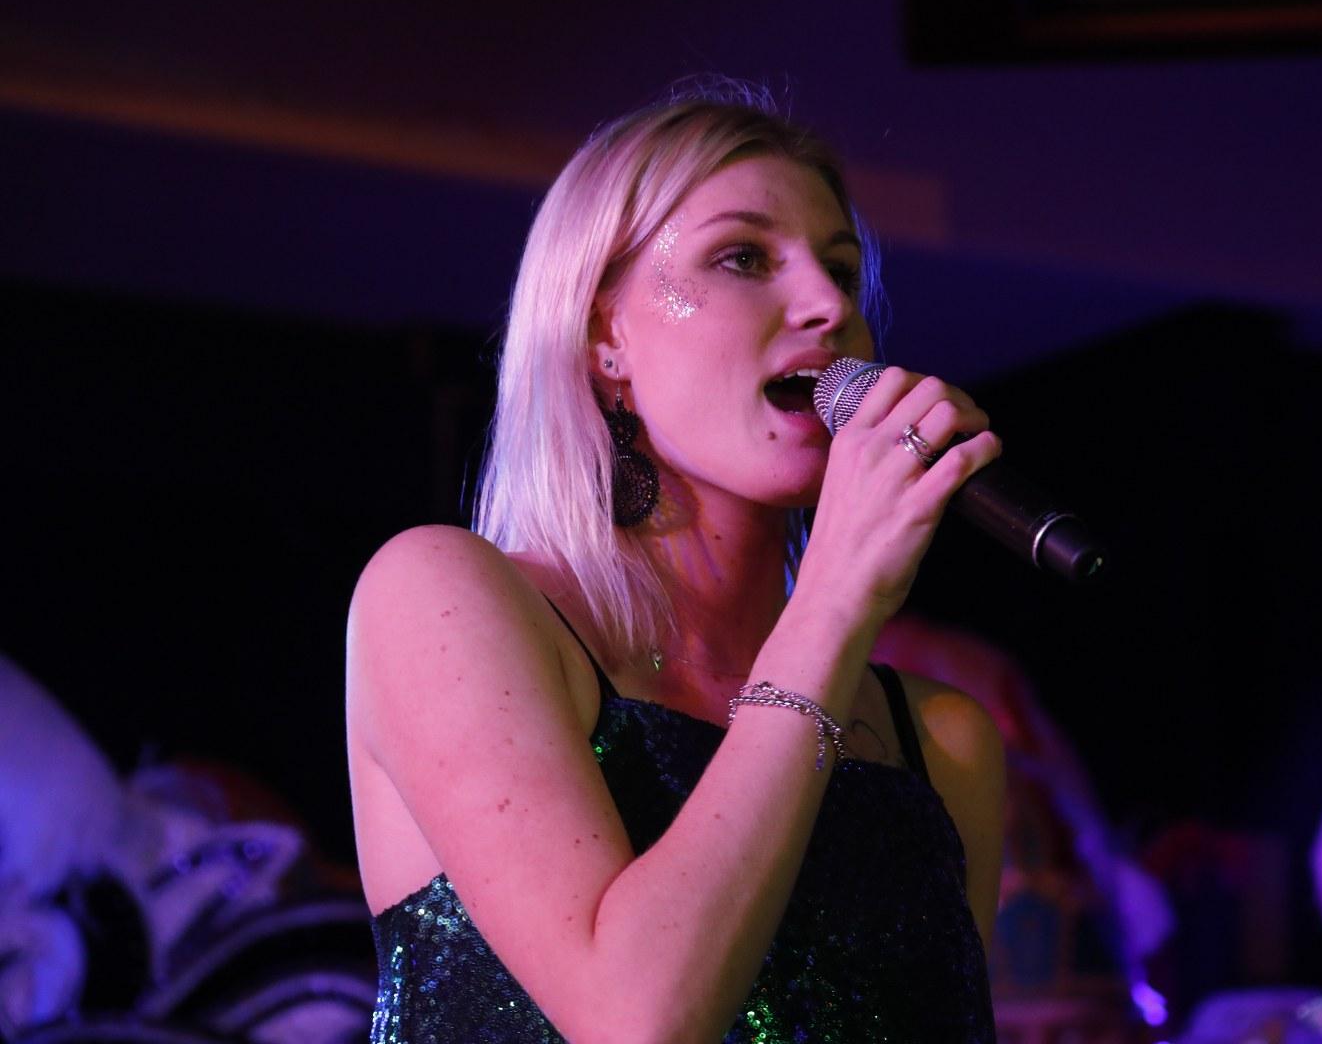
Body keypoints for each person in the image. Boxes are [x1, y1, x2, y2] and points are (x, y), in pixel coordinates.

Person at [345, 80, 1008, 1042]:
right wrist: (832, 602)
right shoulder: (443, 598)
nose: (829, 304)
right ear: (604, 335)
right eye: (744, 257)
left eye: (841, 268)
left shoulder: (942, 745)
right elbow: (635, 1018)